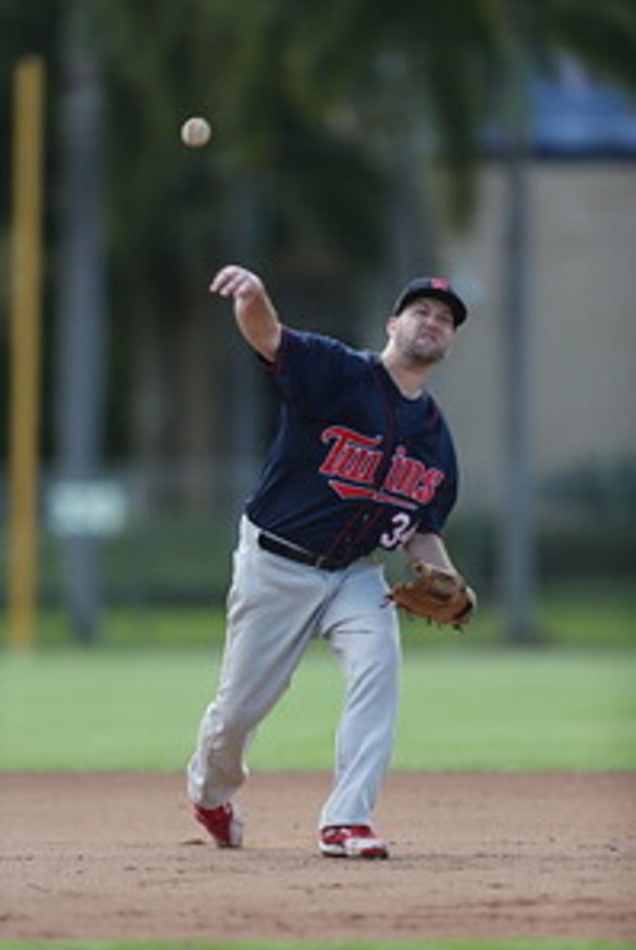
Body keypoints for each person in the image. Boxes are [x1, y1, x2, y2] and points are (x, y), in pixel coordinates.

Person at [187, 264, 476, 859]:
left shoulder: (437, 438)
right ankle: (210, 792)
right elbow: (269, 337)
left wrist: (446, 575)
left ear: (450, 340)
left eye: (445, 319)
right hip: (275, 566)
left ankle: (347, 820)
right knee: (239, 711)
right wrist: (254, 294)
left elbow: (422, 529)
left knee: (380, 669)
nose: (433, 322)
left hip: (357, 574)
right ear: (392, 323)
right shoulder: (337, 371)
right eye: (421, 311)